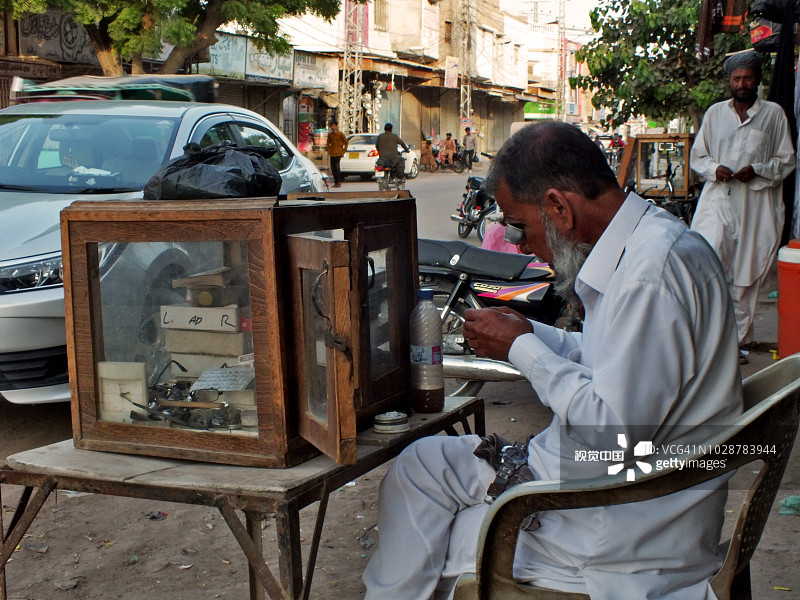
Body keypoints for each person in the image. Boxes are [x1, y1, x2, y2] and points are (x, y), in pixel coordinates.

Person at [363, 121, 742, 600]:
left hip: (624, 527)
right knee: (420, 465)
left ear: (559, 207)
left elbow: (615, 431)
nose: (519, 244)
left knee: (436, 539)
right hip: (616, 484)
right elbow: (615, 361)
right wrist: (525, 333)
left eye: (519, 225)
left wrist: (521, 350)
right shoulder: (651, 245)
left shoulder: (650, 276)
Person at [690, 50, 795, 364]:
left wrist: (759, 169)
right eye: (737, 78)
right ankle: (706, 338)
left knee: (747, 277)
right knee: (706, 264)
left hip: (757, 204)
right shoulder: (715, 114)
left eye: (748, 77)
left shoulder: (773, 114)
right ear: (729, 81)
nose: (742, 83)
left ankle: (736, 343)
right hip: (718, 200)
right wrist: (715, 169)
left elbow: (787, 159)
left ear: (759, 79)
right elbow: (699, 157)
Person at [326, 121, 348, 187]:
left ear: (336, 126)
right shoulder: (330, 135)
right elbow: (328, 143)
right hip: (332, 153)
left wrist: (343, 151)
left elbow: (346, 142)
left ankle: (338, 181)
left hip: (338, 153)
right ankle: (336, 181)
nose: (332, 127)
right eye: (331, 126)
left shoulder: (341, 134)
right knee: (332, 168)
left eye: (333, 125)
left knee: (337, 167)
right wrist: (329, 150)